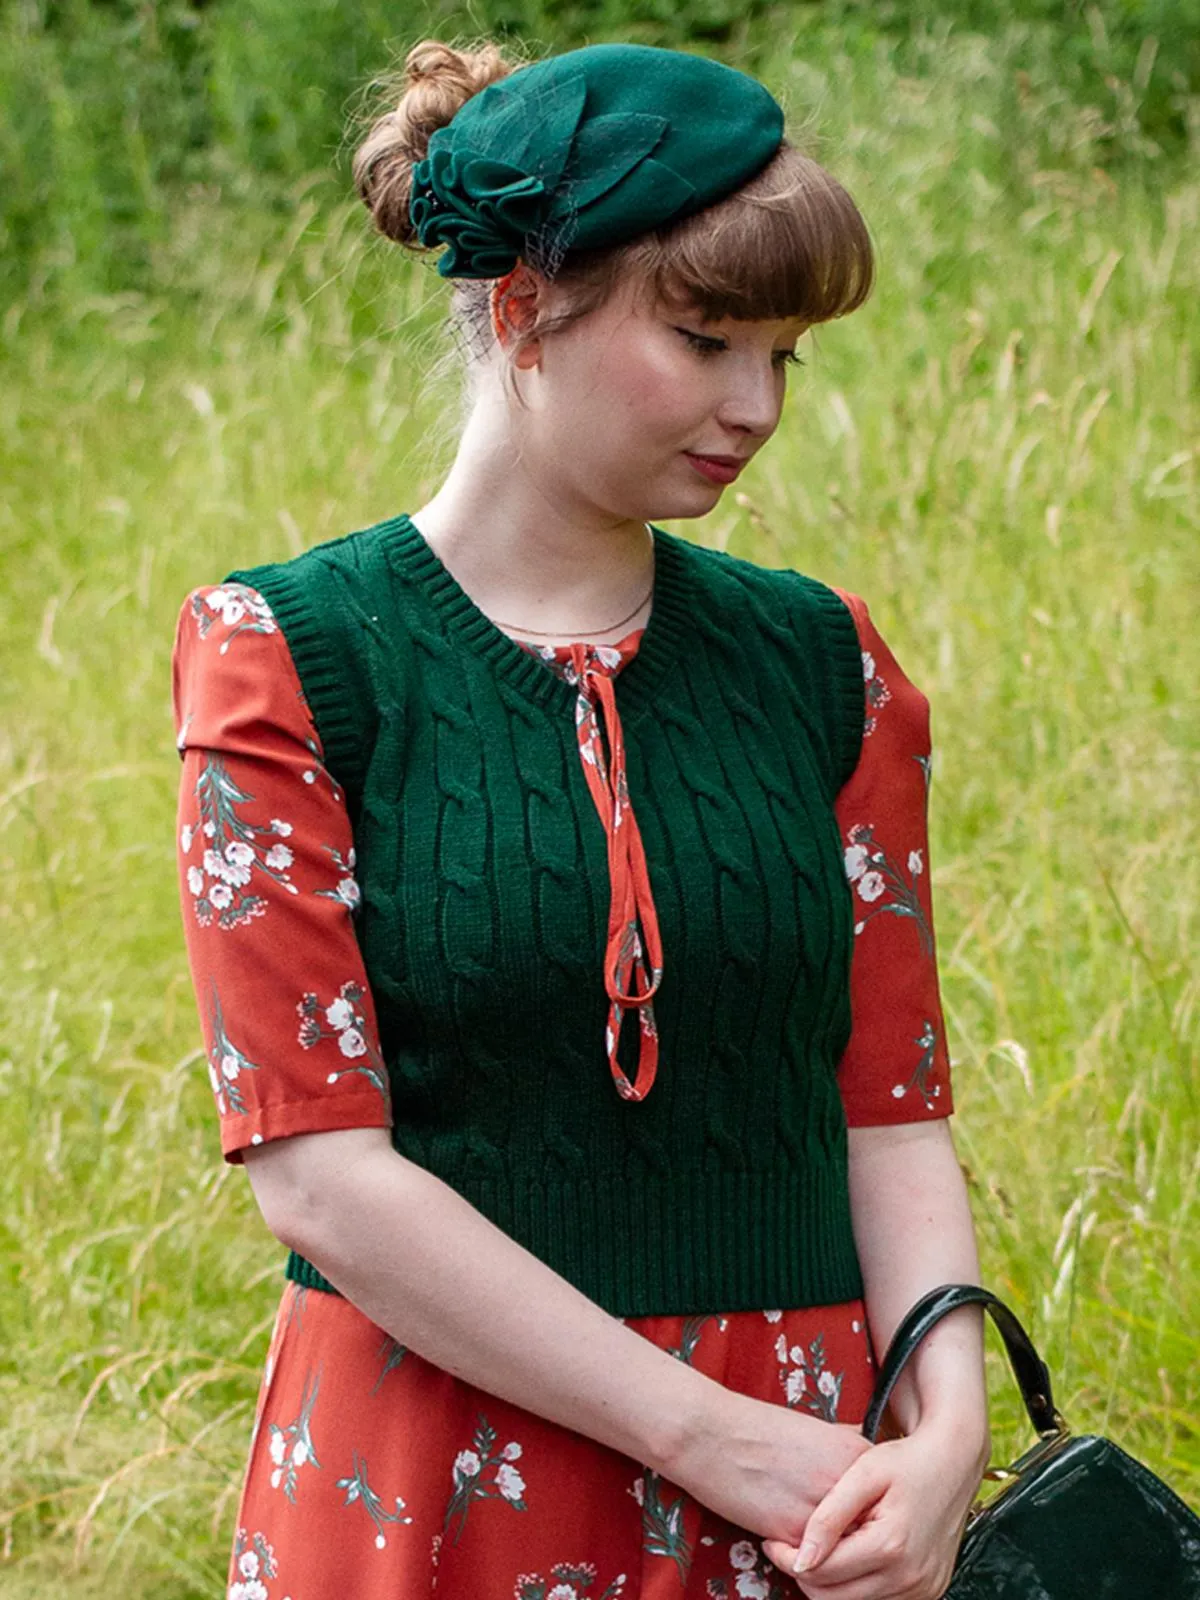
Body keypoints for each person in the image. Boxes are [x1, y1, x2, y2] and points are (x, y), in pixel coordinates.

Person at [172, 36, 991, 1600]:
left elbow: (890, 1104)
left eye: (785, 354)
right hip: (442, 1481)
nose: (755, 403)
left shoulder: (830, 665)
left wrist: (945, 1428)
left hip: (820, 1503)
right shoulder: (289, 656)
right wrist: (709, 1436)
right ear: (521, 310)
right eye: (704, 340)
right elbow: (319, 1175)